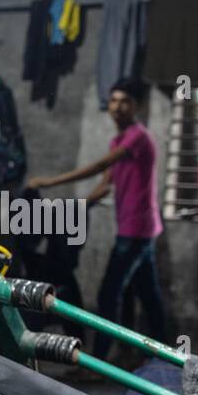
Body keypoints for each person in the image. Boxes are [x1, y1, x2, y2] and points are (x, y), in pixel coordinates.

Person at [28, 77, 165, 357]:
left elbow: (100, 166)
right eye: (113, 100)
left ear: (136, 106)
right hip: (141, 229)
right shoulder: (120, 139)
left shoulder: (138, 136)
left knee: (108, 295)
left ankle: (99, 362)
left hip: (135, 230)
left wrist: (50, 182)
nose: (117, 106)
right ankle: (165, 360)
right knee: (148, 298)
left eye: (125, 101)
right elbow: (104, 186)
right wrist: (71, 208)